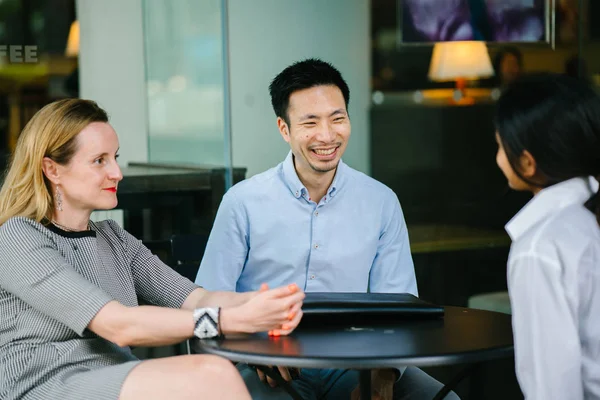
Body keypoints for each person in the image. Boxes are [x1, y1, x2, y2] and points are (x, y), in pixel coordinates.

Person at [0, 98, 305, 400]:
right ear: (52, 170)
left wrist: (265, 303)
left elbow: (197, 298)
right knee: (213, 375)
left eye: (115, 158)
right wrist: (232, 320)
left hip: (116, 376)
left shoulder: (113, 238)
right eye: (99, 161)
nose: (116, 173)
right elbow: (119, 326)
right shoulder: (18, 237)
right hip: (45, 384)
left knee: (216, 374)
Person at [196, 59, 458, 400]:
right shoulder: (242, 203)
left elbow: (399, 304)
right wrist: (250, 352)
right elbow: (206, 308)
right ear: (284, 128)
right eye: (310, 122)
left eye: (337, 118)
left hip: (358, 362)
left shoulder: (380, 202)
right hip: (266, 363)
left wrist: (383, 374)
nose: (327, 135)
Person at [494, 73, 600, 399]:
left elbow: (552, 390)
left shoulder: (540, 249)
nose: (498, 157)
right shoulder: (586, 218)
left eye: (500, 146)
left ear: (527, 163)